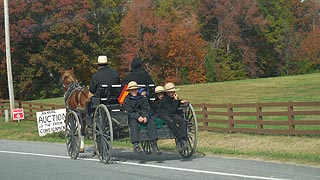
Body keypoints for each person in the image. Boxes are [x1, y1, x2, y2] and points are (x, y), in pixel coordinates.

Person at [123, 81, 161, 155]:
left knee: (151, 121)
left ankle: (154, 144)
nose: (134, 91)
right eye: (132, 90)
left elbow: (146, 109)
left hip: (143, 115)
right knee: (133, 123)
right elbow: (129, 112)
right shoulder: (127, 100)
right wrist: (138, 117)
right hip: (133, 117)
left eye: (135, 89)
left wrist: (145, 116)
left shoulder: (143, 98)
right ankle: (136, 145)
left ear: (137, 90)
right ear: (130, 91)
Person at [157, 82, 189, 152]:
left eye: (174, 91)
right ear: (168, 92)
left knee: (183, 121)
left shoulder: (172, 97)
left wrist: (180, 101)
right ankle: (181, 140)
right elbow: (172, 110)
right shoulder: (164, 99)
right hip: (165, 114)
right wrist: (176, 100)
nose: (173, 92)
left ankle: (184, 141)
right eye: (172, 91)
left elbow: (175, 106)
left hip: (172, 114)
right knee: (171, 121)